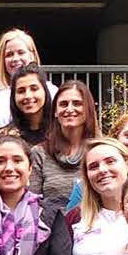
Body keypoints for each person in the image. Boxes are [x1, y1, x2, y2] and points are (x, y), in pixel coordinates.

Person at [29, 80, 100, 210]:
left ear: (88, 109)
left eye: (77, 103)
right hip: (50, 227)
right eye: (63, 104)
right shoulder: (39, 153)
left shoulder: (101, 151)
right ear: (55, 112)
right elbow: (32, 202)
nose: (69, 109)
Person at [0, 29, 58, 130]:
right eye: (9, 54)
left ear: (32, 55)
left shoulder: (52, 91)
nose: (15, 59)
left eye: (21, 52)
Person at [0, 63, 53, 146]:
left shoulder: (61, 132)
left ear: (45, 91)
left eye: (34, 89)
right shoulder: (4, 136)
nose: (27, 96)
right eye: (21, 91)